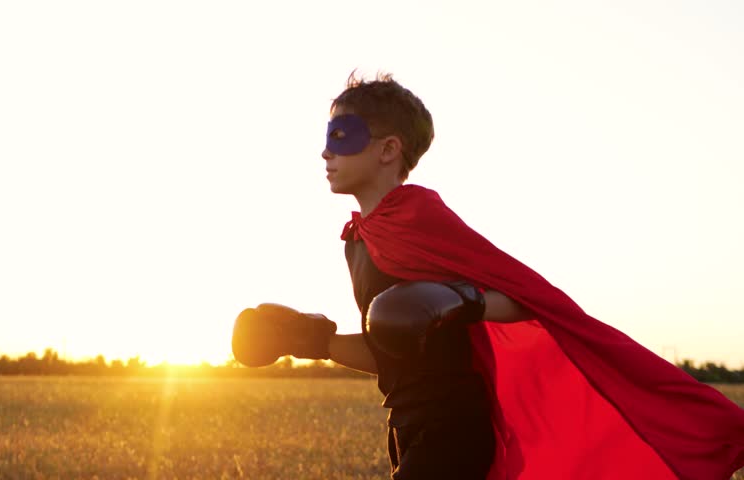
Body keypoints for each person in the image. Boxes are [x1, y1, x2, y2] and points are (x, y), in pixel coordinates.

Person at [231, 72, 744, 479]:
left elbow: (526, 299)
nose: (327, 151)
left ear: (388, 150)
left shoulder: (419, 216)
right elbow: (393, 341)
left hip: (455, 428)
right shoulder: (360, 239)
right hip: (408, 423)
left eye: (342, 137)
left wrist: (458, 300)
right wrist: (315, 341)